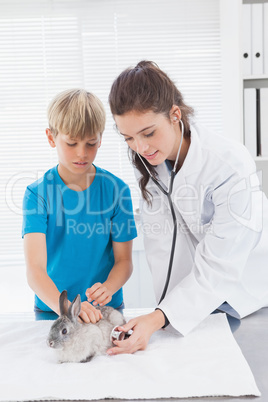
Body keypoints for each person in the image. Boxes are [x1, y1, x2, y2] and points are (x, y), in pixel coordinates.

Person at [107, 60, 268, 355]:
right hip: (197, 303)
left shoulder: (228, 164)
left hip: (247, 290)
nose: (140, 147)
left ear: (175, 115)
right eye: (128, 138)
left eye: (148, 132)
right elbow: (161, 244)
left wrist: (161, 317)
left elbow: (221, 263)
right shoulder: (149, 160)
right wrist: (159, 318)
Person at [22, 89, 137, 323]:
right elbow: (35, 270)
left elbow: (124, 262)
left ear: (101, 139)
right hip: (53, 310)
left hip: (106, 311)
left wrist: (108, 287)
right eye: (72, 143)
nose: (82, 153)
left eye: (91, 143)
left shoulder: (117, 191)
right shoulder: (37, 195)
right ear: (51, 137)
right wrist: (66, 308)